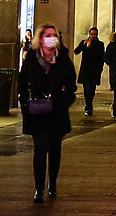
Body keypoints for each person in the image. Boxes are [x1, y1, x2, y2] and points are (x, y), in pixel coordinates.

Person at [17, 24, 76, 202]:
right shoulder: (32, 59)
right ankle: (38, 188)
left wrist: (65, 99)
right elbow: (22, 82)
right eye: (48, 35)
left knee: (55, 149)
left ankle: (53, 183)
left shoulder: (63, 59)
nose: (52, 38)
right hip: (37, 110)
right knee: (40, 148)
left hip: (57, 110)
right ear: (40, 38)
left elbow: (72, 84)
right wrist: (25, 103)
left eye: (54, 35)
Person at [77, 27, 107, 117]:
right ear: (89, 34)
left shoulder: (100, 44)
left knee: (92, 89)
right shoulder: (84, 42)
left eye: (95, 34)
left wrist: (100, 69)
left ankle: (89, 105)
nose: (93, 36)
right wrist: (84, 45)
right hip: (86, 70)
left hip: (95, 70)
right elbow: (76, 51)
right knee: (87, 89)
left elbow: (102, 57)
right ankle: (88, 106)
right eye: (92, 34)